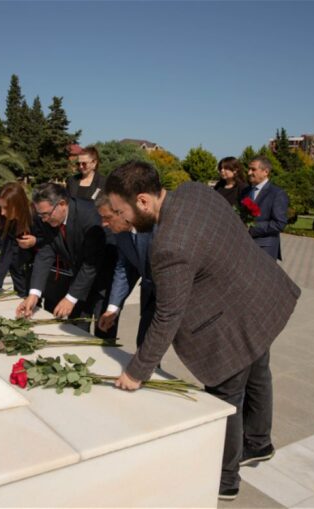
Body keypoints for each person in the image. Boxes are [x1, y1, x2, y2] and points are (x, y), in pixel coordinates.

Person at [105, 161, 301, 501]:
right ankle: (259, 443)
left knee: (226, 395)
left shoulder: (168, 244)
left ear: (143, 201)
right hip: (260, 296)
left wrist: (136, 371)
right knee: (258, 372)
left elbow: (168, 314)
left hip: (232, 318)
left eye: (121, 212)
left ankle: (225, 479)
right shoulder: (195, 191)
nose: (121, 220)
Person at [16, 183, 115, 339]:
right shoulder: (47, 218)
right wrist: (34, 294)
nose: (44, 220)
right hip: (79, 278)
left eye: (46, 214)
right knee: (77, 330)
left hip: (103, 277)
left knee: (103, 332)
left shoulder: (89, 216)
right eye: (40, 215)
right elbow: (46, 252)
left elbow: (91, 263)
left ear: (62, 204)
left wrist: (70, 297)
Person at [95, 194, 155, 348]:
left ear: (122, 212)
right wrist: (112, 309)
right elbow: (123, 269)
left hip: (181, 296)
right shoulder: (121, 235)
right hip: (151, 296)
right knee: (145, 345)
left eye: (107, 218)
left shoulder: (154, 228)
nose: (104, 224)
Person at [241, 156, 289, 261]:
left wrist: (251, 228)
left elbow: (279, 223)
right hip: (244, 245)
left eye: (253, 169)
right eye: (249, 169)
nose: (249, 173)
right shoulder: (245, 191)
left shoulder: (277, 193)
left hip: (265, 247)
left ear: (265, 172)